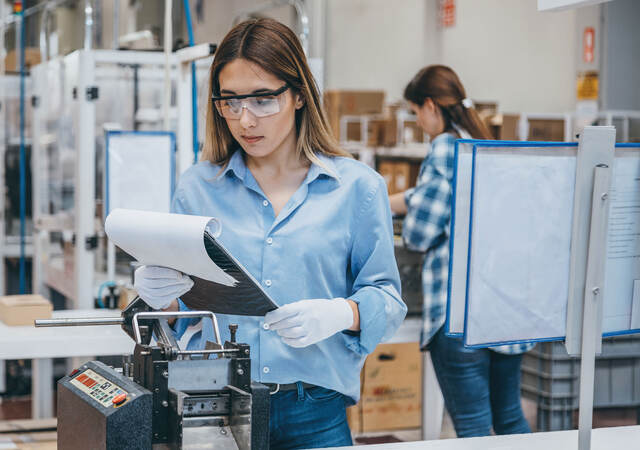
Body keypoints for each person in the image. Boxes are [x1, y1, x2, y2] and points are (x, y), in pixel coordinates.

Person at [134, 18, 406, 449]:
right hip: (214, 406)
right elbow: (182, 314)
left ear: (299, 95)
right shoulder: (198, 187)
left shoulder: (357, 189)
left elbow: (388, 300)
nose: (245, 120)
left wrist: (342, 313)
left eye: (263, 99)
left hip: (314, 412)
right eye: (230, 101)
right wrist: (159, 298)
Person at [389, 65, 533, 437]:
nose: (419, 122)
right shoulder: (486, 145)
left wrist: (405, 218)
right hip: (505, 311)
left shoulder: (443, 149)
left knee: (472, 429)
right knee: (510, 418)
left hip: (460, 315)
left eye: (416, 112)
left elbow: (420, 234)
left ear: (431, 105)